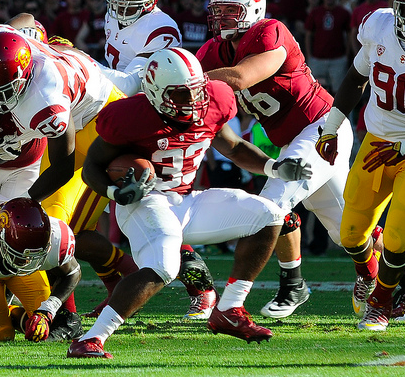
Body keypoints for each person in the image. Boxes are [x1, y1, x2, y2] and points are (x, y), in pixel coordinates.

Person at [66, 47, 312, 358]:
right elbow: (92, 169)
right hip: (145, 202)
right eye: (181, 95)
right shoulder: (130, 116)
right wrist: (116, 194)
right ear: (155, 93)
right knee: (164, 266)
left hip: (186, 201)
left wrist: (272, 167)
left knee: (270, 214)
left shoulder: (214, 100)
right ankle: (91, 339)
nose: (193, 101)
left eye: (196, 91)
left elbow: (233, 146)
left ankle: (229, 310)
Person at [196, 0, 354, 319]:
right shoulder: (210, 53)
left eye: (231, 10)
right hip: (291, 142)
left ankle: (249, 298)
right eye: (218, 10)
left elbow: (239, 78)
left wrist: (187, 82)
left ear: (253, 10)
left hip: (322, 128)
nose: (221, 17)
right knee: (348, 231)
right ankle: (380, 276)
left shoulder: (270, 32)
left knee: (271, 202)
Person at [81, 0, 219, 320]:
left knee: (153, 219)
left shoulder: (161, 28)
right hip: (117, 119)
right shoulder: (113, 16)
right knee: (132, 218)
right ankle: (119, 290)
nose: (121, 6)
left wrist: (79, 63)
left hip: (151, 125)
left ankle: (201, 289)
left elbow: (131, 83)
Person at [315, 2, 405, 330]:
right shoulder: (379, 25)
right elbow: (356, 78)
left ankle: (381, 302)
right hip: (377, 141)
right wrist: (331, 127)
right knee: (351, 234)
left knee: (397, 238)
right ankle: (371, 276)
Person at [0, 197, 82, 342]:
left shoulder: (52, 236)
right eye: (20, 254)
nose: (26, 261)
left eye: (32, 254)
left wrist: (48, 309)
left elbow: (73, 272)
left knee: (44, 327)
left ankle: (13, 314)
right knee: (4, 334)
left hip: (18, 273)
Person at [304, 0, 351, 96]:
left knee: (339, 92)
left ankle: (339, 111)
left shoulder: (343, 13)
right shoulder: (315, 12)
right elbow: (308, 34)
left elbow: (349, 34)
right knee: (313, 90)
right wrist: (309, 55)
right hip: (317, 59)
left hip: (338, 59)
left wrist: (346, 55)